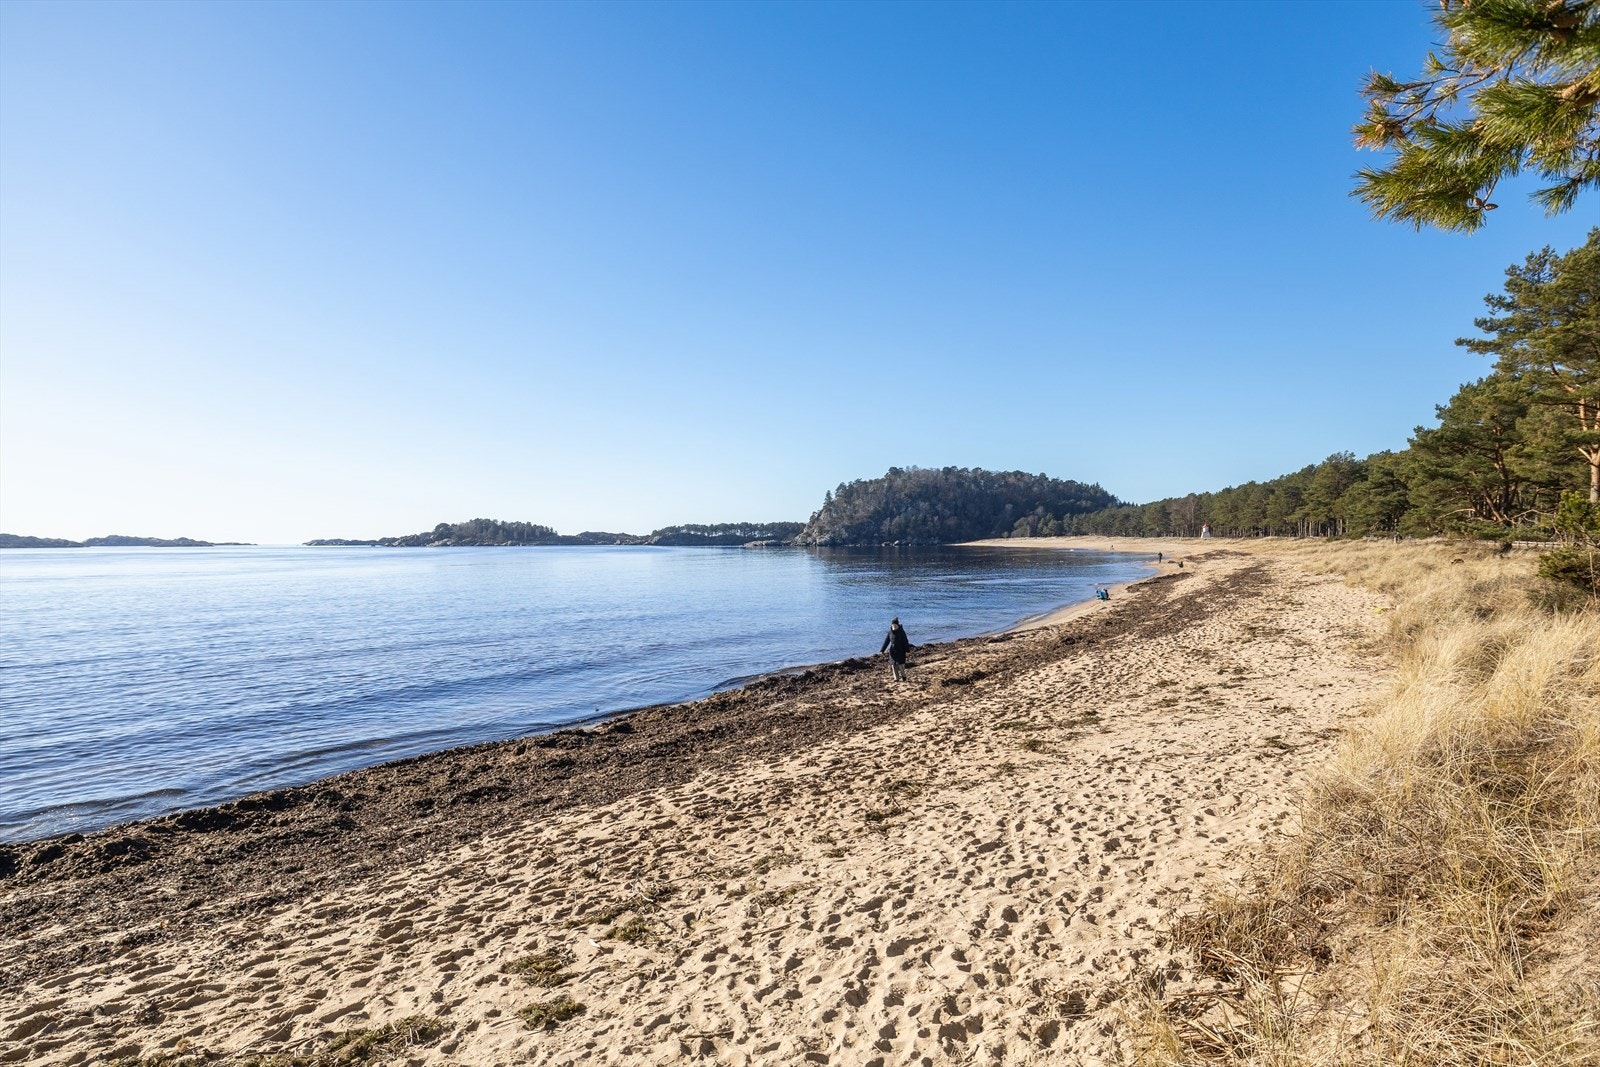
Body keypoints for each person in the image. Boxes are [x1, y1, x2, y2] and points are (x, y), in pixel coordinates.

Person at [880, 617, 911, 682]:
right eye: (893, 625)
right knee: (893, 665)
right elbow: (886, 641)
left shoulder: (901, 632)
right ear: (891, 625)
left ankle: (903, 676)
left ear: (897, 625)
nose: (894, 626)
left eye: (895, 625)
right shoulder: (890, 632)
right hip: (892, 651)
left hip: (901, 650)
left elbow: (905, 641)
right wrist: (882, 650)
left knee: (901, 665)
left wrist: (907, 651)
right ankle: (896, 678)